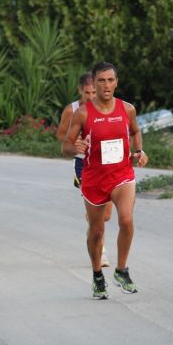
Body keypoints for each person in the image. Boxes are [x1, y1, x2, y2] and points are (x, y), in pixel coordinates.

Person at [62, 62, 148, 299]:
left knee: (127, 220)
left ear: (116, 82)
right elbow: (66, 146)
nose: (106, 85)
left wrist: (138, 152)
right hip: (94, 178)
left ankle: (121, 270)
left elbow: (134, 131)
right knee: (97, 231)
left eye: (110, 80)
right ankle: (98, 275)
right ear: (94, 83)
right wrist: (74, 147)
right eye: (101, 80)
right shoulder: (84, 113)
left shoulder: (127, 109)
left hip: (122, 175)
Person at [57, 72, 113, 267]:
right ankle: (102, 251)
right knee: (97, 211)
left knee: (106, 215)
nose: (90, 96)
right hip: (84, 164)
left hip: (107, 161)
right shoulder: (71, 110)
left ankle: (93, 222)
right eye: (87, 92)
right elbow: (61, 135)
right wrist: (75, 142)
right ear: (80, 90)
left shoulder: (106, 106)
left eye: (93, 92)